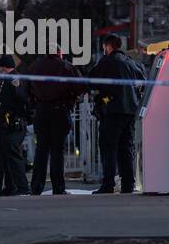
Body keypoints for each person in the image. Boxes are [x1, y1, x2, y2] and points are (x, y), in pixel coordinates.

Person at [88, 34, 146, 194]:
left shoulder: (107, 62)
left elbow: (90, 79)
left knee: (109, 147)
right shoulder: (131, 62)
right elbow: (143, 79)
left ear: (108, 46)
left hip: (112, 110)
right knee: (126, 148)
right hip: (130, 112)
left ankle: (108, 184)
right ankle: (128, 184)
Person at [26, 50, 86, 196]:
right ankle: (58, 187)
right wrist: (71, 99)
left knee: (41, 150)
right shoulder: (66, 67)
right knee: (58, 151)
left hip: (41, 111)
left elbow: (26, 89)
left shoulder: (34, 67)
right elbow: (80, 87)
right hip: (60, 110)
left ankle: (36, 187)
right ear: (59, 53)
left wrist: (35, 102)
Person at [0, 54, 31, 196]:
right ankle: (11, 187)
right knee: (7, 156)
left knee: (14, 157)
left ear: (4, 67)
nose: (0, 71)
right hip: (8, 124)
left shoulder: (14, 79)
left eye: (1, 68)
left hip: (15, 124)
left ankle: (23, 187)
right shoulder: (8, 79)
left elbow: (19, 99)